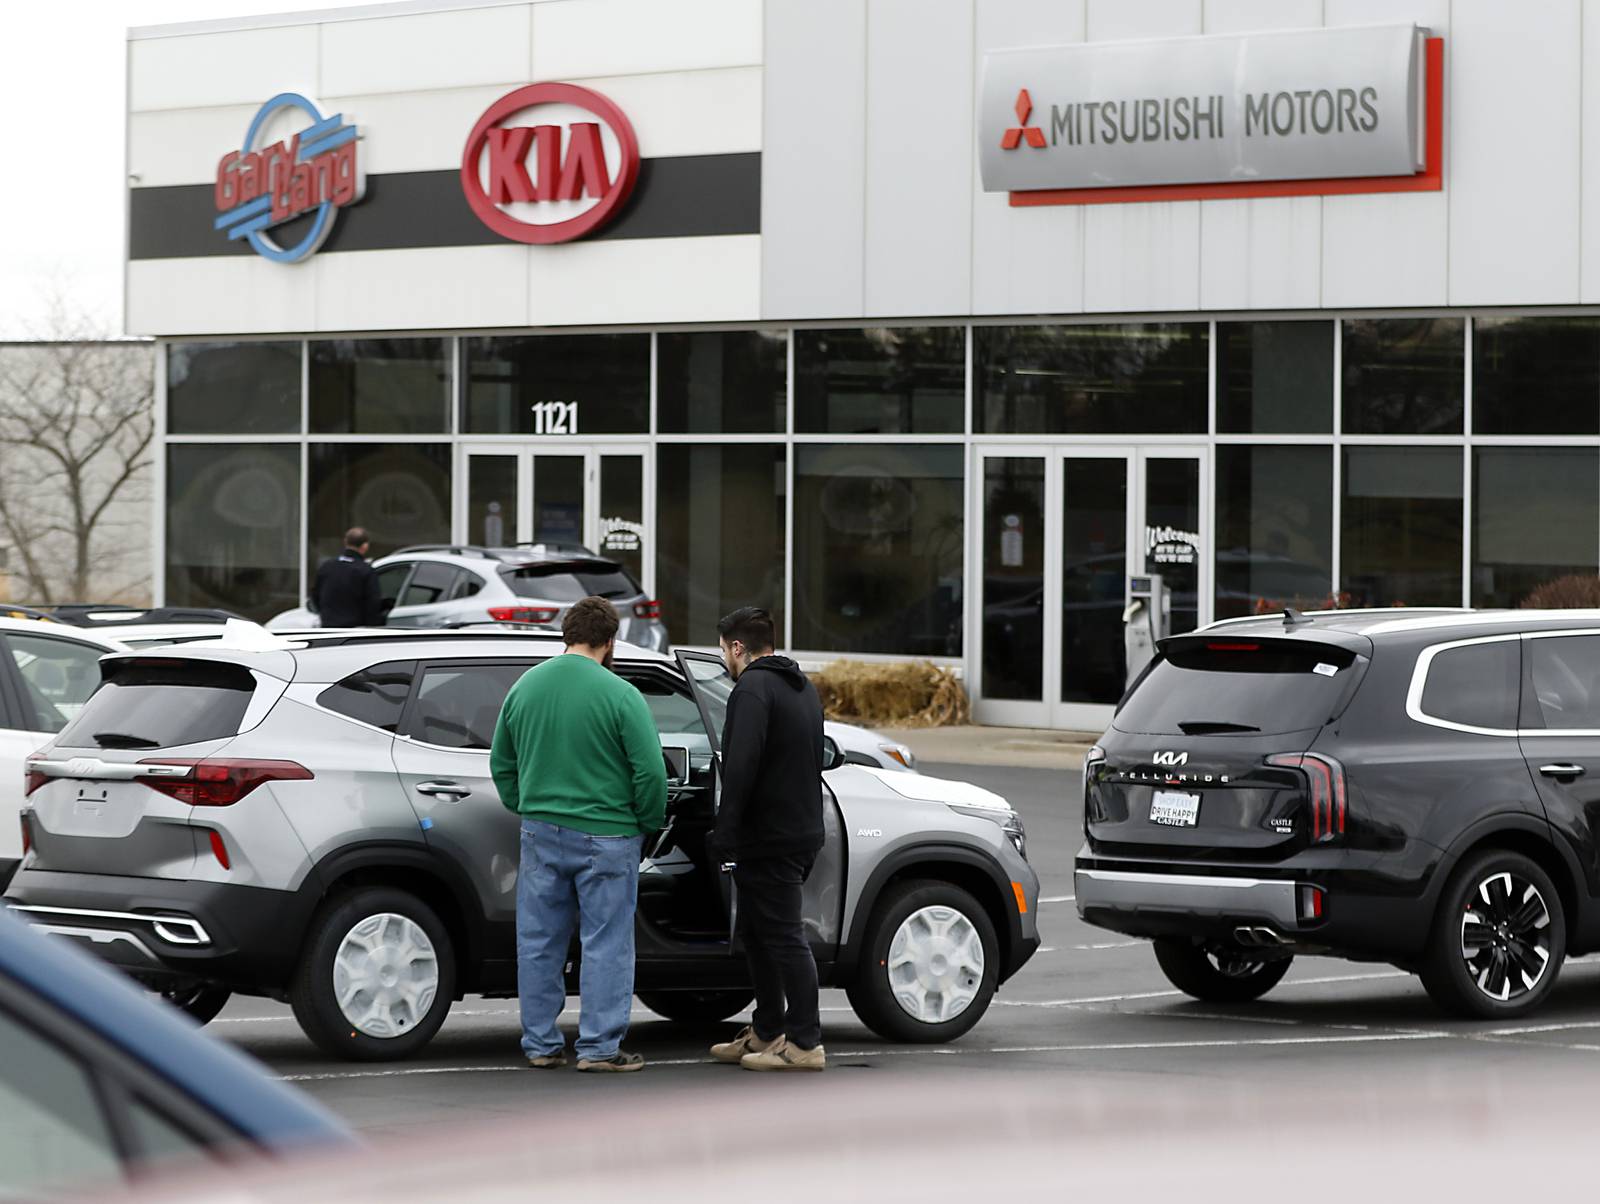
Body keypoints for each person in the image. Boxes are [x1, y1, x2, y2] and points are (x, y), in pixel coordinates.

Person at [490, 596, 667, 1073]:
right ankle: (598, 1048)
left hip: (541, 832)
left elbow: (500, 764)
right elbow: (650, 773)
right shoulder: (621, 694)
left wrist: (526, 805)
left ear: (566, 635)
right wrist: (646, 822)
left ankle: (541, 1043)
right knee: (606, 943)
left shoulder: (525, 688)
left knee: (539, 941)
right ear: (610, 643)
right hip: (608, 836)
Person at [707, 606, 827, 1072]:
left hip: (770, 837)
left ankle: (803, 1043)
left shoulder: (752, 690)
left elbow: (741, 766)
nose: (723, 661)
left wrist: (726, 831)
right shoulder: (801, 686)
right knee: (759, 935)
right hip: (799, 832)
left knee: (783, 936)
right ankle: (768, 1030)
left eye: (723, 651)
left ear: (739, 648)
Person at [311, 527, 384, 627]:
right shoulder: (365, 571)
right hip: (354, 631)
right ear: (365, 546)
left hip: (328, 629)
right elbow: (373, 603)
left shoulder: (327, 567)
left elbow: (315, 596)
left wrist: (326, 615)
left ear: (345, 542)